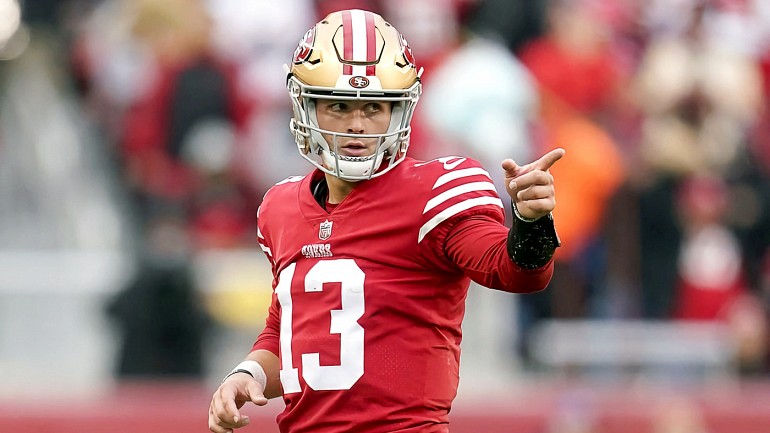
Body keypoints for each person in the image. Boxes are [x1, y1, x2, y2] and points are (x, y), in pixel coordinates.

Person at [208, 9, 563, 433]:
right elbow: (290, 327)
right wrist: (249, 373)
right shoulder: (280, 207)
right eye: (340, 106)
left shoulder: (435, 191)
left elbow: (515, 272)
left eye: (375, 107)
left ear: (400, 112)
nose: (358, 125)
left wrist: (531, 221)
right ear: (306, 106)